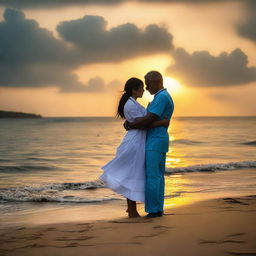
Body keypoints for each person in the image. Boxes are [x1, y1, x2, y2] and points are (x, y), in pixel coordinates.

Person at [100, 77, 169, 218]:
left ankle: (132, 209)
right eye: (141, 87)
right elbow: (143, 123)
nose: (144, 89)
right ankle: (132, 210)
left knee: (133, 174)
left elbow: (138, 122)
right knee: (131, 174)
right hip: (135, 141)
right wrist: (162, 123)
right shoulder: (130, 105)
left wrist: (130, 124)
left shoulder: (132, 103)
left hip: (138, 139)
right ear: (134, 90)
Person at [124, 71, 174, 218]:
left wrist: (131, 125)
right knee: (158, 176)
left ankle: (153, 210)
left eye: (147, 83)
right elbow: (151, 119)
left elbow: (148, 119)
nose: (146, 87)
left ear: (155, 82)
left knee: (152, 175)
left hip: (155, 140)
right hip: (159, 139)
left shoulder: (161, 97)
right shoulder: (164, 96)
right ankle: (158, 209)